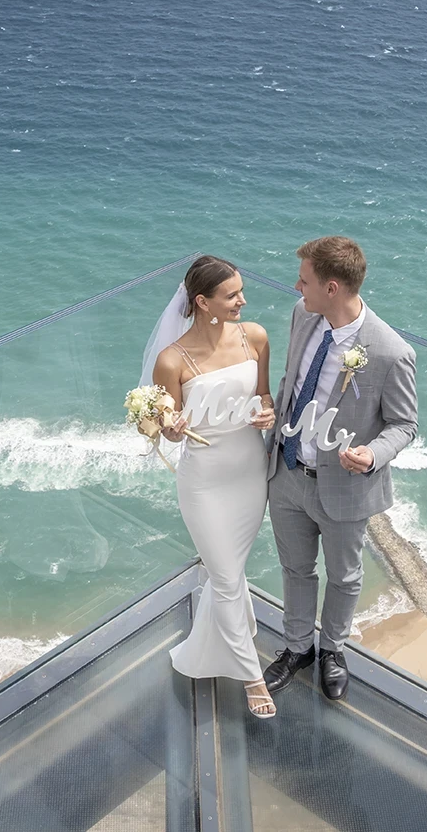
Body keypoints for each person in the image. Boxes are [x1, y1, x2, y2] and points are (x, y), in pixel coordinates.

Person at [263, 237, 418, 701]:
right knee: (295, 569)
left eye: (305, 280)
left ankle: (332, 648)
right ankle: (297, 649)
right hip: (287, 473)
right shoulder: (303, 315)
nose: (297, 287)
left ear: (332, 287)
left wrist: (373, 454)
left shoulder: (391, 353)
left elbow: (405, 424)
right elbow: (291, 383)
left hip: (344, 487)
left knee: (346, 577)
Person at [146, 255, 279, 718]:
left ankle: (207, 648)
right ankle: (252, 678)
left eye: (241, 291)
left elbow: (264, 398)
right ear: (203, 302)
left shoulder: (255, 336)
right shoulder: (171, 360)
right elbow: (162, 423)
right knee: (225, 578)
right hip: (203, 482)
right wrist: (172, 428)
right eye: (232, 294)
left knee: (230, 576)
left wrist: (269, 411)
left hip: (249, 472)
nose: (243, 300)